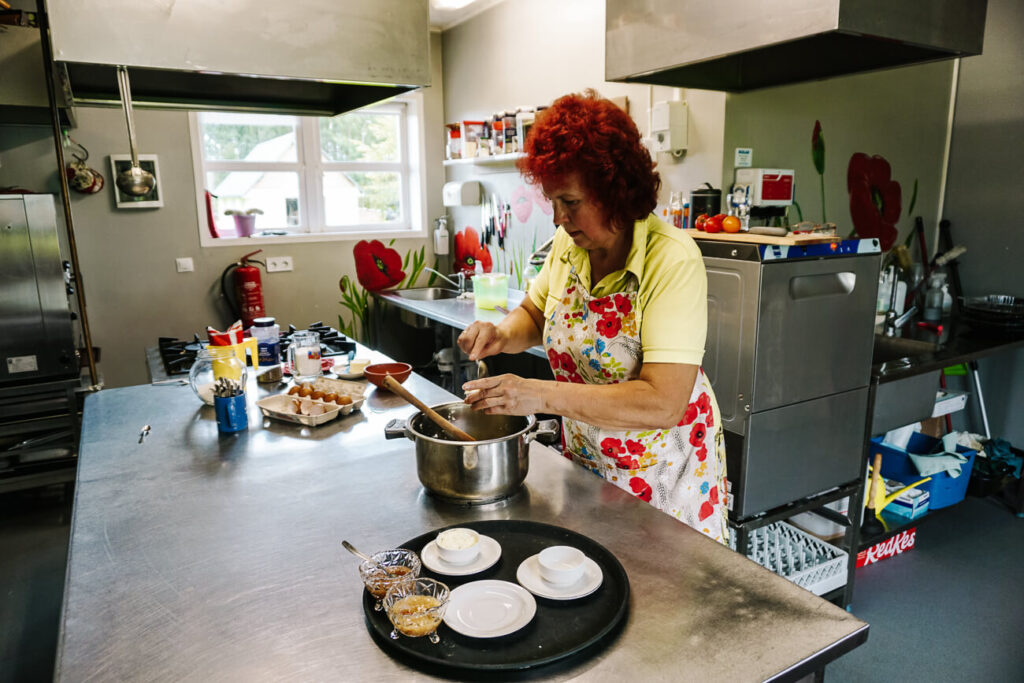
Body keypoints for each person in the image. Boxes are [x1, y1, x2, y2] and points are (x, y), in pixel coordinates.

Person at [458, 90, 728, 544]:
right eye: (552, 201)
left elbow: (663, 402)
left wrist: (538, 394)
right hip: (590, 466)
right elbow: (536, 313)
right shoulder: (571, 244)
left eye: (571, 201)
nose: (559, 218)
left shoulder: (672, 259)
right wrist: (500, 335)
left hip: (665, 481)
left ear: (613, 191)